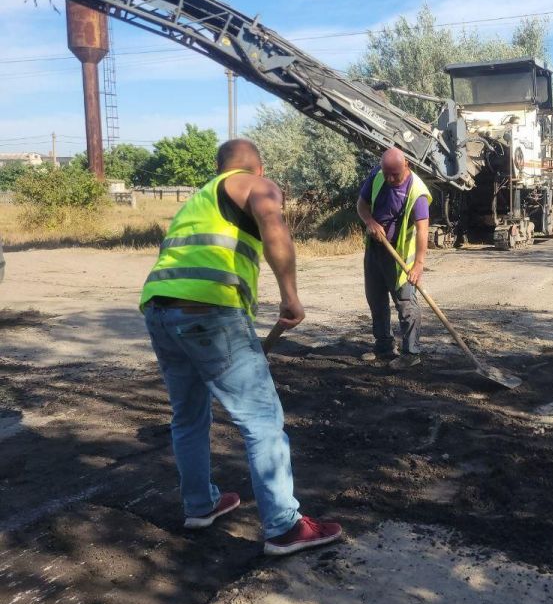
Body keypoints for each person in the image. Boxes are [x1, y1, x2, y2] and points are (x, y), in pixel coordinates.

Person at [140, 139, 342, 556]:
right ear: (256, 165)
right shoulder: (255, 184)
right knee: (262, 419)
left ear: (218, 166)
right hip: (209, 313)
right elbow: (274, 227)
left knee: (188, 416)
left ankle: (201, 505)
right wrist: (290, 295)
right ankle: (285, 526)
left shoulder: (197, 200)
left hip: (160, 312)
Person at [356, 147, 431, 369]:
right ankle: (384, 347)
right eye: (386, 173)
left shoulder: (417, 192)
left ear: (406, 165)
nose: (389, 179)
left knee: (406, 304)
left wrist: (418, 265)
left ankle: (411, 353)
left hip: (400, 257)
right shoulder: (377, 176)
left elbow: (423, 230)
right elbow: (361, 205)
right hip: (375, 251)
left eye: (394, 175)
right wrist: (369, 221)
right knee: (376, 300)